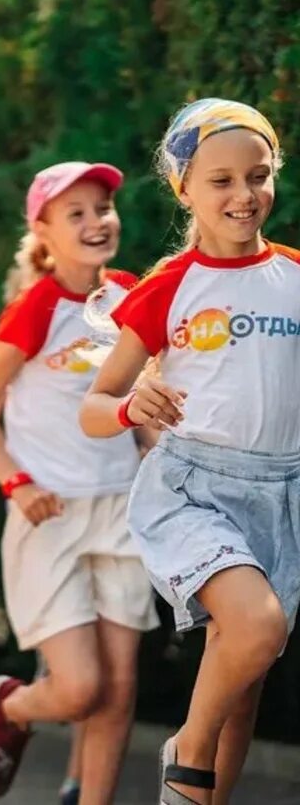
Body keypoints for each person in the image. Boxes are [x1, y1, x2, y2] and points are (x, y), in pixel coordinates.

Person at [81, 99, 299, 805]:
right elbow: (94, 407)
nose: (244, 195)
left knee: (244, 680)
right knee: (256, 625)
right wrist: (128, 406)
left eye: (258, 176)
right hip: (194, 490)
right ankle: (188, 748)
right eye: (221, 181)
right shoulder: (168, 288)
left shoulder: (295, 276)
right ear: (184, 188)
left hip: (285, 494)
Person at [0, 162, 159, 802]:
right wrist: (16, 484)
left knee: (119, 690)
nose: (96, 222)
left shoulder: (129, 294)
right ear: (42, 232)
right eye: (76, 214)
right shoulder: (36, 306)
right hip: (48, 516)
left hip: (122, 509)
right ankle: (15, 706)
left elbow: (142, 399)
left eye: (103, 208)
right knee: (79, 689)